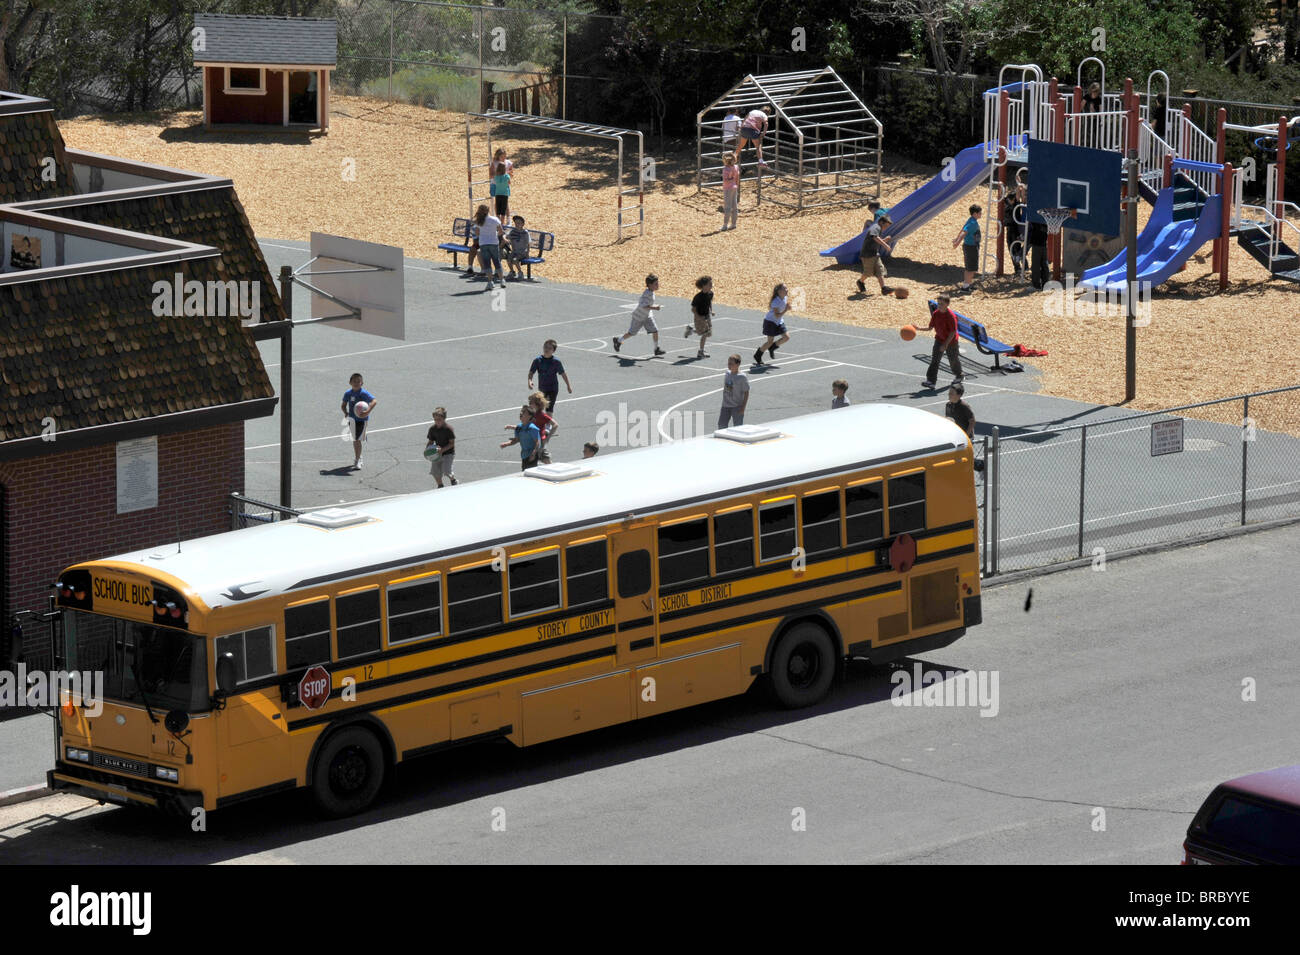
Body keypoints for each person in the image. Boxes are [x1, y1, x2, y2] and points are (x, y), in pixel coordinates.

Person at [614, 274, 665, 357]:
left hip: (647, 316)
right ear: (650, 285)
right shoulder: (646, 294)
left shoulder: (651, 292)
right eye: (656, 284)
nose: (658, 285)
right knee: (631, 333)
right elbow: (643, 306)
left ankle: (656, 349)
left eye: (657, 283)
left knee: (655, 330)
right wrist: (654, 308)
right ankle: (618, 340)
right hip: (639, 316)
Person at [921, 294, 963, 390]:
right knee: (935, 360)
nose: (939, 306)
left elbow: (953, 332)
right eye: (938, 303)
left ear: (947, 304)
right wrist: (918, 328)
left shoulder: (951, 316)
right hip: (939, 339)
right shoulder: (936, 313)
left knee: (953, 360)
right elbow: (930, 328)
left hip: (951, 342)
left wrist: (945, 344)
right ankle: (931, 381)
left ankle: (959, 375)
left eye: (941, 304)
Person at [945, 382, 984, 472]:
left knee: (964, 458)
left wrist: (966, 436)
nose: (949, 395)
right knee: (958, 457)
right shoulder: (948, 405)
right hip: (955, 436)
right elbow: (948, 419)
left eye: (952, 393)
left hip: (965, 436)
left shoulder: (964, 406)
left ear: (959, 395)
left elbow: (972, 421)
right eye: (949, 393)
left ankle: (981, 466)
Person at [341, 372, 376, 469]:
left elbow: (374, 401)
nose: (356, 383)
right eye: (354, 381)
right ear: (350, 382)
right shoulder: (348, 393)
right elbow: (343, 405)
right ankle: (358, 457)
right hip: (352, 420)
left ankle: (358, 459)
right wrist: (346, 412)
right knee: (355, 439)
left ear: (362, 383)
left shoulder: (363, 393)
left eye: (358, 381)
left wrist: (367, 411)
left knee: (357, 440)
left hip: (362, 420)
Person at [527, 339, 571, 411]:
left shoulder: (556, 362)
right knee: (539, 408)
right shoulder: (537, 360)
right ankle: (543, 422)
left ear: (553, 351)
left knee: (549, 409)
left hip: (552, 388)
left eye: (549, 348)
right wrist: (529, 381)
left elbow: (563, 374)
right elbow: (531, 372)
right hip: (542, 388)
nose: (547, 349)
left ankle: (548, 422)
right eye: (545, 347)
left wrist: (568, 386)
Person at [856, 212, 894, 295]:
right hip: (867, 255)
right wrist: (885, 245)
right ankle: (860, 281)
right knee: (868, 272)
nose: (886, 228)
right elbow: (875, 237)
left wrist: (885, 240)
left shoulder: (878, 229)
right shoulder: (876, 227)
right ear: (881, 222)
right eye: (886, 226)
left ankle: (884, 288)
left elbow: (875, 240)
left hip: (874, 254)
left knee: (880, 270)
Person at [753, 283, 790, 366]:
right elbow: (777, 315)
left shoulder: (785, 297)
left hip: (779, 321)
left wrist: (788, 307)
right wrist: (786, 310)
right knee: (769, 341)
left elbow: (782, 310)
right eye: (785, 289)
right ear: (779, 291)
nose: (787, 290)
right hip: (770, 322)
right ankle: (758, 355)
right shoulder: (775, 301)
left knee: (786, 337)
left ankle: (773, 347)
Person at [473, 203, 505, 288]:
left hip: (483, 243)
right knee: (497, 261)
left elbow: (476, 233)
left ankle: (490, 282)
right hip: (494, 242)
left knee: (487, 263)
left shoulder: (478, 221)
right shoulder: (495, 219)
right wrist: (495, 234)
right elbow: (501, 232)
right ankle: (502, 280)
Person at [500, 405, 541, 471]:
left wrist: (533, 454)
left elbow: (537, 442)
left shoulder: (532, 428)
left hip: (531, 456)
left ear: (530, 416)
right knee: (525, 472)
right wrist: (506, 444)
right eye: (521, 411)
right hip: (524, 455)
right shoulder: (519, 427)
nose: (521, 413)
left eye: (524, 412)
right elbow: (517, 440)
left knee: (530, 474)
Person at [426, 407, 457, 487]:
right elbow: (430, 442)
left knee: (447, 471)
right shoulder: (432, 429)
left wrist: (442, 450)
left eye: (439, 419)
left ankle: (453, 480)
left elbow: (451, 444)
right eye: (435, 419)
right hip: (437, 453)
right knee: (435, 472)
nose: (437, 421)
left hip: (448, 453)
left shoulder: (448, 429)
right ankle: (440, 486)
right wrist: (427, 451)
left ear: (444, 419)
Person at [953, 204, 981, 291]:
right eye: (980, 213)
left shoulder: (971, 220)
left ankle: (968, 284)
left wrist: (957, 239)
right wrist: (957, 242)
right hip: (970, 247)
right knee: (970, 268)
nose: (981, 214)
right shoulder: (972, 223)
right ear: (975, 213)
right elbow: (964, 232)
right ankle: (965, 287)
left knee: (970, 267)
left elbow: (963, 229)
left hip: (971, 246)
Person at [686, 275, 714, 359]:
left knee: (708, 333)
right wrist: (699, 317)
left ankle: (691, 330)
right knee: (705, 333)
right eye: (710, 284)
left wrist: (711, 311)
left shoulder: (711, 293)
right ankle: (701, 351)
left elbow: (709, 303)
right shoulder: (698, 297)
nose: (712, 285)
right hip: (699, 317)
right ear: (704, 286)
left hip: (707, 316)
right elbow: (693, 309)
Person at [1002, 183, 1027, 276]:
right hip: (1009, 228)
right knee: (1011, 248)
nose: (1008, 201)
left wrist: (1019, 186)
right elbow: (1002, 195)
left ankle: (1023, 266)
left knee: (1016, 248)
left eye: (1010, 200)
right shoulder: (1007, 202)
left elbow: (1018, 196)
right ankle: (1017, 268)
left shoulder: (1016, 204)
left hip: (1015, 228)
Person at [719, 354, 750, 428]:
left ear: (738, 364)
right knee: (721, 425)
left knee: (738, 427)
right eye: (728, 363)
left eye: (731, 364)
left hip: (737, 407)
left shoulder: (742, 377)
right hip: (725, 406)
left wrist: (743, 408)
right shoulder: (727, 373)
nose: (729, 365)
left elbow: (746, 392)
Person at [528, 392, 557, 464]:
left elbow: (555, 425)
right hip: (533, 441)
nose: (529, 404)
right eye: (529, 402)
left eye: (531, 402)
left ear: (537, 404)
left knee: (546, 461)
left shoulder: (541, 415)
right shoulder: (532, 414)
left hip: (540, 441)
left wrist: (547, 438)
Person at [504, 214, 530, 280]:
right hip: (514, 251)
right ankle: (512, 272)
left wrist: (527, 253)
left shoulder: (525, 233)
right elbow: (506, 236)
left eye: (519, 223)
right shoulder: (513, 232)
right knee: (509, 259)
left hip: (522, 252)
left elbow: (528, 244)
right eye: (516, 223)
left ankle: (520, 272)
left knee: (515, 260)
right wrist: (505, 239)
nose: (517, 224)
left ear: (523, 224)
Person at [1028, 213, 1049, 290]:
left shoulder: (1036, 220)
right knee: (1044, 265)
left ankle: (1036, 285)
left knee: (1036, 265)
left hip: (1037, 244)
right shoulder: (1046, 219)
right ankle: (1045, 284)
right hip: (1043, 244)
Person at [721, 154, 740, 230]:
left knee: (727, 206)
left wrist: (730, 179)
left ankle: (725, 225)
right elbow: (737, 177)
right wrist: (736, 184)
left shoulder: (725, 169)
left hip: (727, 188)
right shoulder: (736, 167)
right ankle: (733, 223)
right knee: (734, 205)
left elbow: (725, 179)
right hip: (734, 187)